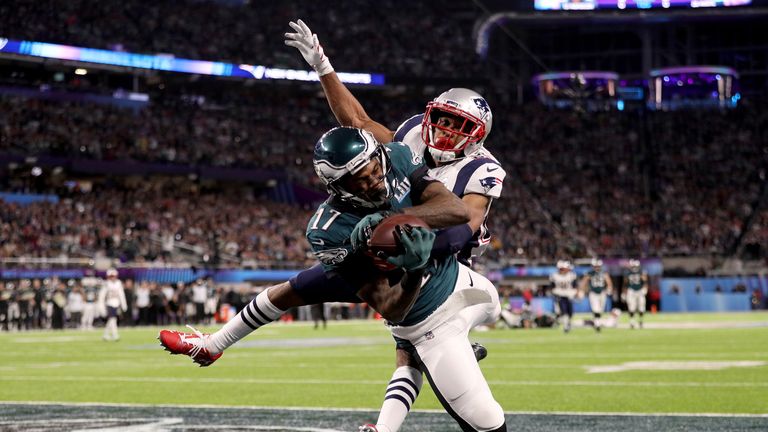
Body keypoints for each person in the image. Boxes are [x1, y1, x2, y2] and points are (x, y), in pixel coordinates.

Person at [161, 19, 505, 431]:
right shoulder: (398, 148)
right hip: (378, 239)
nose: (446, 131)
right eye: (443, 120)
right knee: (295, 289)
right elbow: (358, 122)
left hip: (443, 248)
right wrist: (323, 65)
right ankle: (212, 346)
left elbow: (463, 222)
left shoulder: (482, 169)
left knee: (411, 336)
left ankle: (443, 361)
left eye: (458, 126)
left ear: (477, 136)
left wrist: (407, 237)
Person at [308, 127, 505, 431]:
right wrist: (414, 268)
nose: (374, 181)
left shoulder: (397, 155)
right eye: (360, 179)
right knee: (486, 420)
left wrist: (396, 219)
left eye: (374, 170)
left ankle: (461, 350)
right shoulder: (328, 230)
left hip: (463, 281)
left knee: (494, 306)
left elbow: (457, 210)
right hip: (429, 321)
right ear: (337, 187)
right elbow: (392, 309)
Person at [579, 258, 613, 332]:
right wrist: (581, 291)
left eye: (598, 266)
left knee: (600, 309)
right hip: (593, 293)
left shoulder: (604, 273)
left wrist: (609, 288)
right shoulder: (590, 273)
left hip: (602, 292)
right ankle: (597, 324)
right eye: (595, 266)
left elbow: (609, 281)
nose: (597, 267)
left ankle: (597, 321)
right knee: (595, 308)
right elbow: (584, 282)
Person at [98, 268, 127, 341]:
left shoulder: (118, 283)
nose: (113, 277)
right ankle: (115, 334)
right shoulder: (106, 284)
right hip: (109, 303)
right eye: (111, 276)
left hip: (116, 303)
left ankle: (105, 334)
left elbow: (121, 294)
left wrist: (123, 304)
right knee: (113, 319)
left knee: (111, 320)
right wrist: (101, 307)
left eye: (114, 276)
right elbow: (102, 296)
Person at [550, 260, 578, 333]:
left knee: (570, 313)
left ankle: (567, 324)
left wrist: (575, 293)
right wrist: (555, 293)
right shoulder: (554, 276)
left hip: (569, 295)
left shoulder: (571, 275)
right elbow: (552, 287)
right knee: (564, 311)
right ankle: (566, 326)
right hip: (560, 295)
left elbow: (575, 286)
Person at [623, 259, 648, 329]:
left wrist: (645, 288)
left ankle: (640, 321)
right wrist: (624, 293)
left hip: (640, 290)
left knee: (641, 307)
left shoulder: (641, 272)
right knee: (631, 307)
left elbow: (645, 281)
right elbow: (625, 283)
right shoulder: (627, 272)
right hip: (631, 291)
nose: (634, 267)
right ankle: (632, 322)